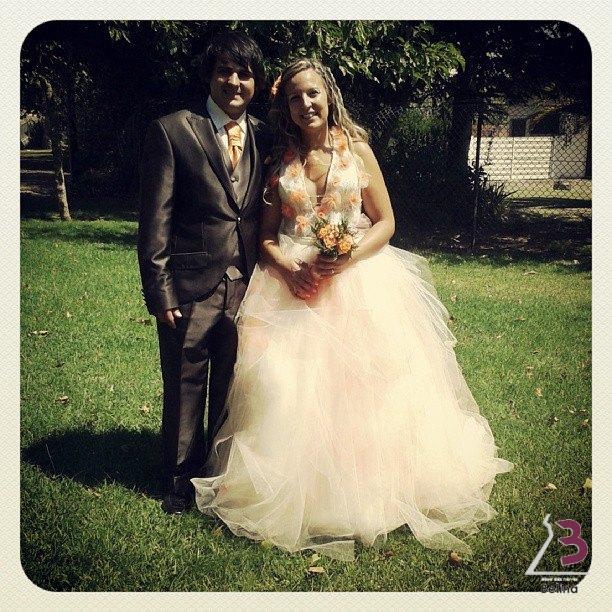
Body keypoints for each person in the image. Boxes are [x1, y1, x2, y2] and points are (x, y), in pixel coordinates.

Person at [191, 58, 512, 560]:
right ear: (286, 107)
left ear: (329, 95)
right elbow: (266, 237)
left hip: (358, 281)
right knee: (285, 387)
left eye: (312, 93)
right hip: (292, 288)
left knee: (364, 391)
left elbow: (385, 222)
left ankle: (369, 490)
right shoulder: (279, 161)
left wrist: (346, 257)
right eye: (294, 98)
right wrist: (289, 268)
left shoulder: (356, 150)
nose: (305, 104)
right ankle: (296, 488)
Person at [137, 31, 272, 514]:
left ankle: (215, 476)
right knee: (185, 383)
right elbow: (155, 219)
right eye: (224, 71)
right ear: (209, 77)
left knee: (233, 385)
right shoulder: (174, 130)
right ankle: (178, 481)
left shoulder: (265, 135)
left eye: (244, 74)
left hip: (248, 285)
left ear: (256, 82)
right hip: (191, 286)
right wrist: (161, 292)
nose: (234, 82)